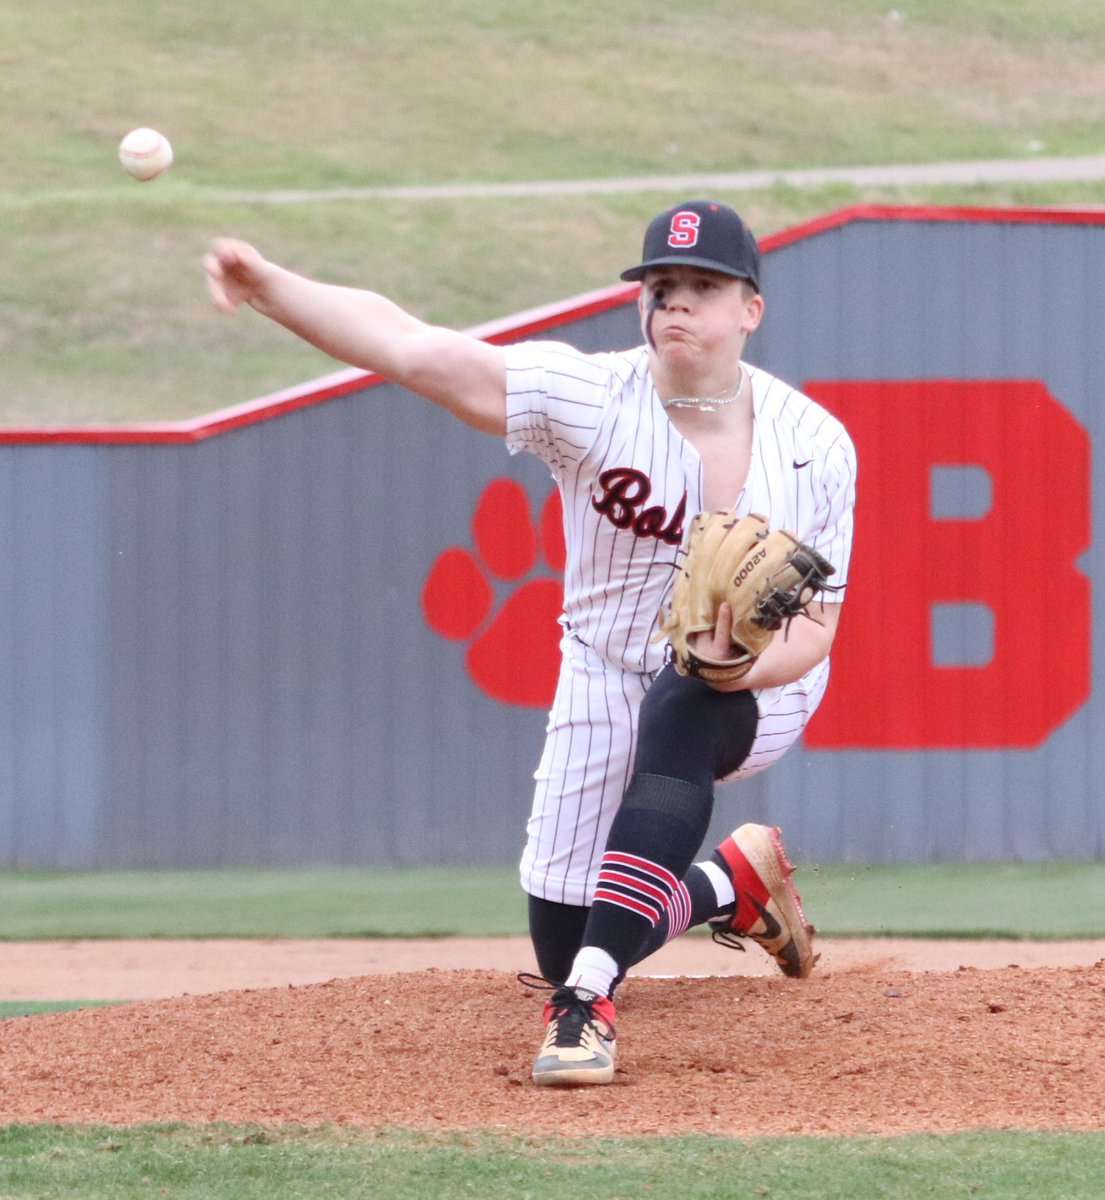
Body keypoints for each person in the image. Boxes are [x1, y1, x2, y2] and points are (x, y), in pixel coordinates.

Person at [203, 199, 856, 1087]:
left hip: (759, 691)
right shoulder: (587, 399)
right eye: (659, 286)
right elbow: (414, 348)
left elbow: (817, 627)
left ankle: (583, 1006)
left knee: (683, 706)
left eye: (702, 287)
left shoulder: (815, 445)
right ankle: (726, 884)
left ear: (749, 309)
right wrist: (269, 286)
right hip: (599, 669)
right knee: (563, 929)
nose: (674, 304)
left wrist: (737, 665)